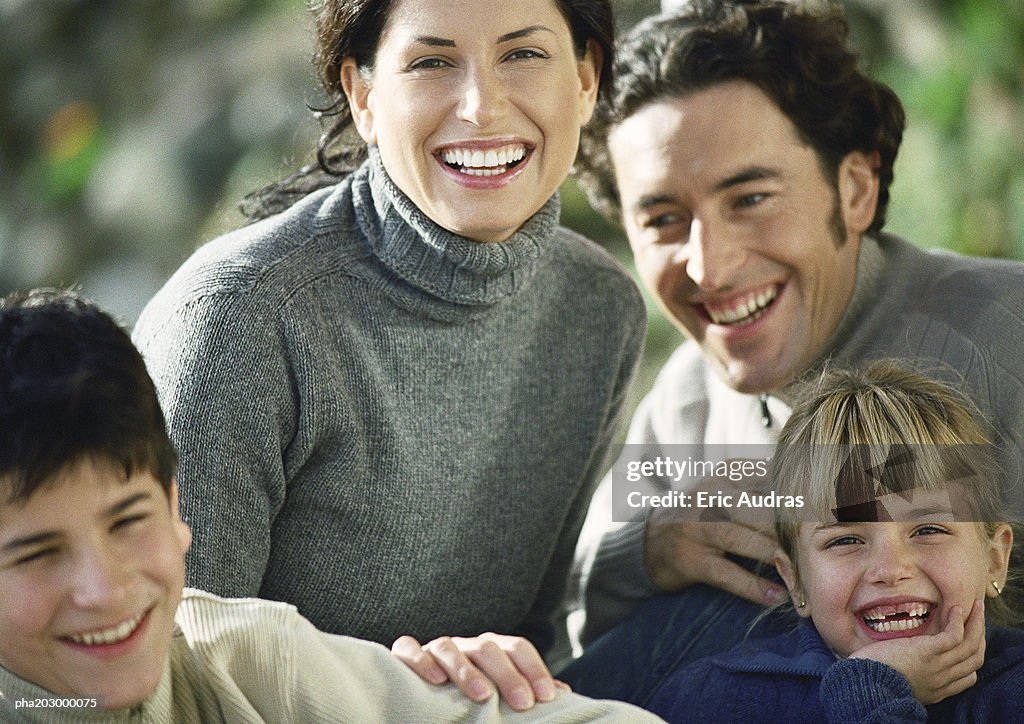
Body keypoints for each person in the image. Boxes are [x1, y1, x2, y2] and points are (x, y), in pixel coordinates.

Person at [131, 0, 645, 668]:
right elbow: (173, 674)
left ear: (585, 80)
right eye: (432, 62)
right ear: (363, 95)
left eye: (522, 55)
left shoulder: (599, 308)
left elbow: (536, 641)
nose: (481, 107)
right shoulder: (240, 320)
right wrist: (385, 693)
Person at [563, 0, 1024, 704]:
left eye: (749, 198)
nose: (708, 268)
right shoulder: (683, 405)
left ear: (857, 189)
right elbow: (580, 608)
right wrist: (651, 551)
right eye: (662, 219)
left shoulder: (1005, 338)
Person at [0, 288, 661, 723]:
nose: (104, 588)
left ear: (175, 506)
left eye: (128, 522)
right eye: (37, 553)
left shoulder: (248, 660)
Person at [647, 361, 1024, 722]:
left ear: (995, 560)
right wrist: (874, 690)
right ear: (795, 581)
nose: (890, 570)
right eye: (845, 539)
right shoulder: (717, 699)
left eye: (928, 530)